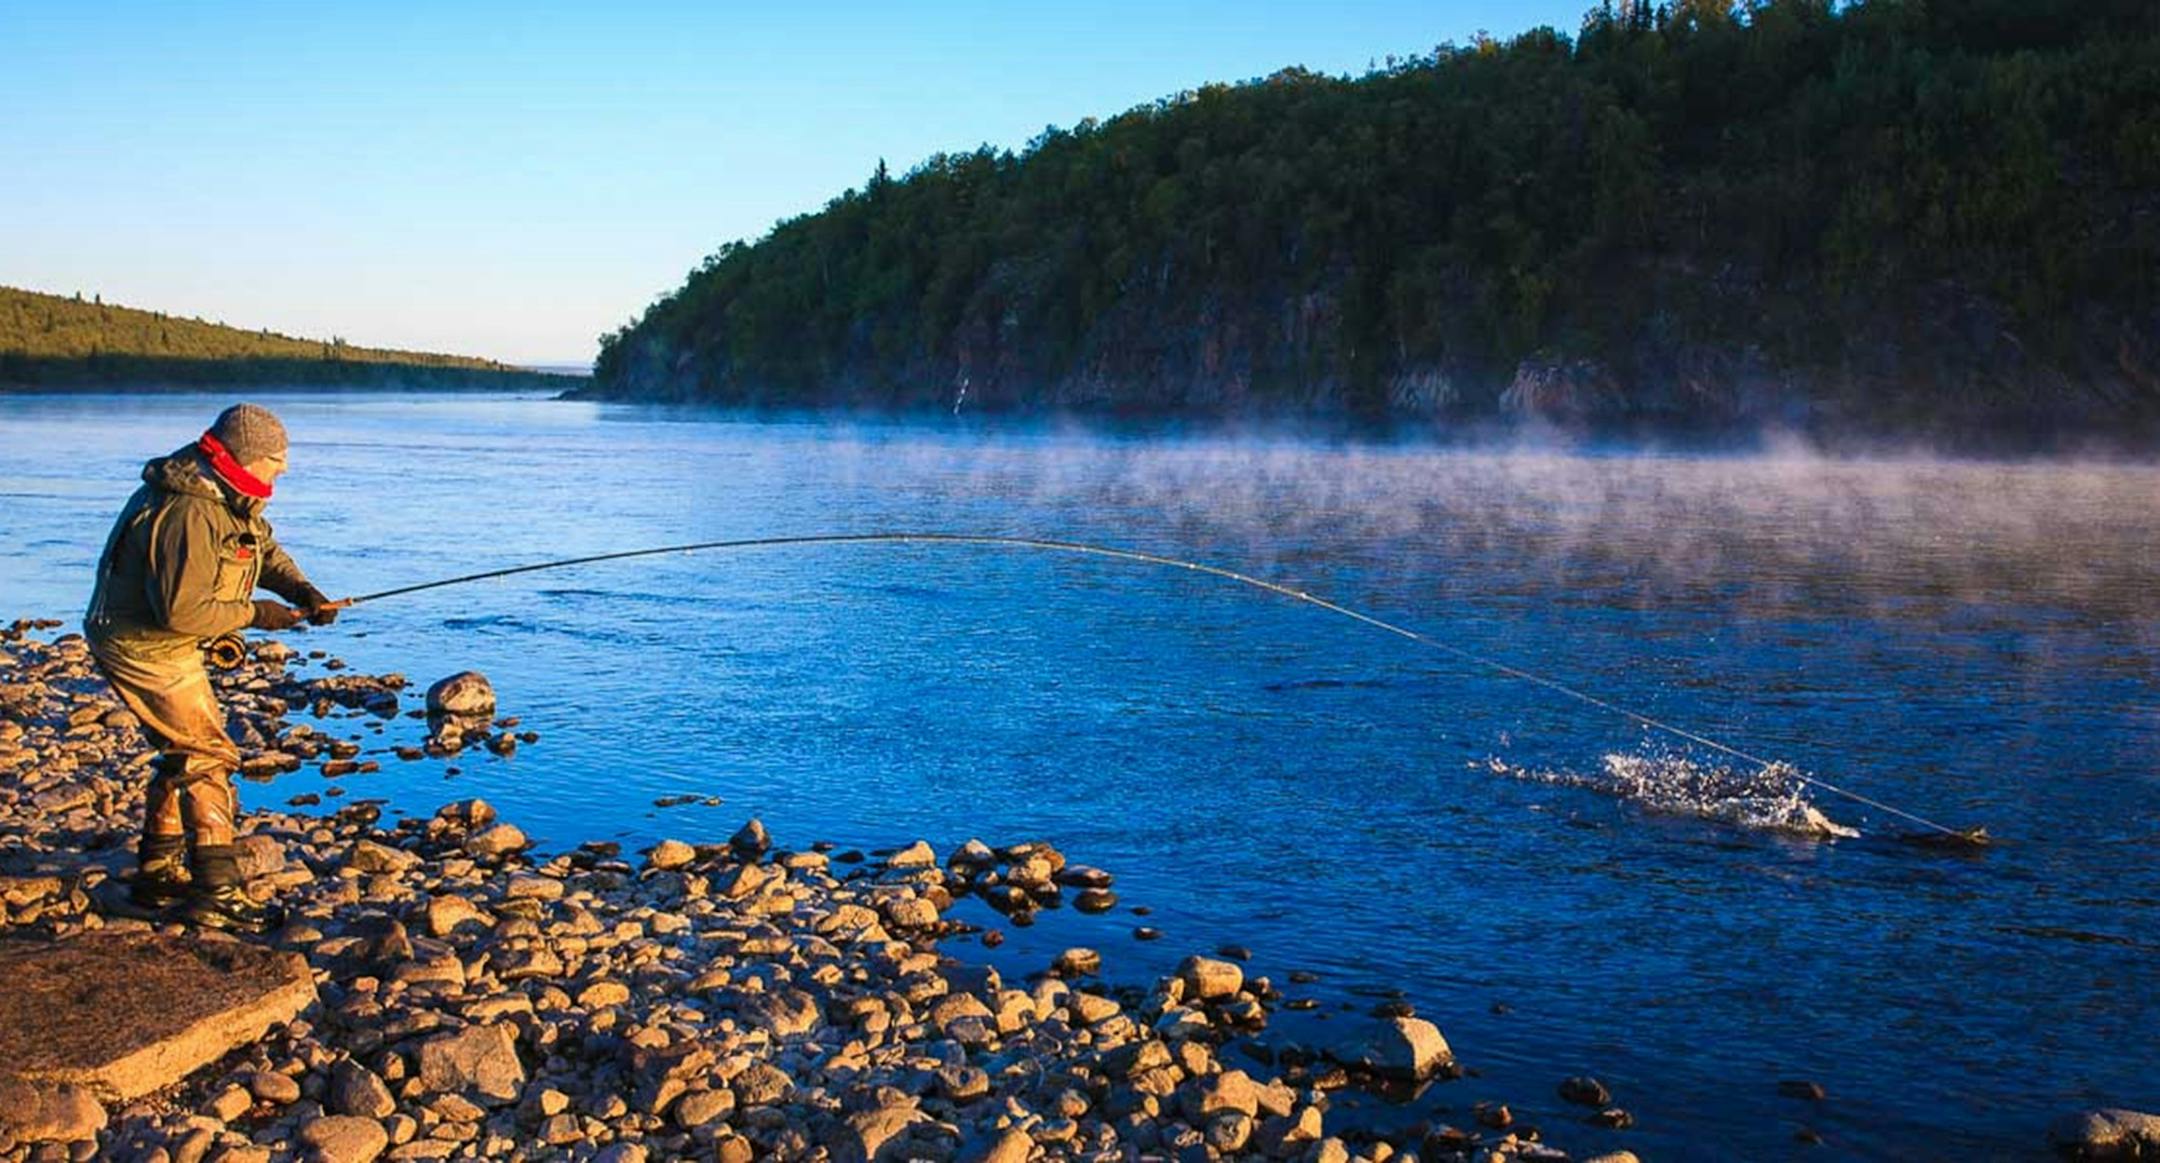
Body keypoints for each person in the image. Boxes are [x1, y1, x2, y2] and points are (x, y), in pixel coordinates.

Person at [83, 403, 337, 932]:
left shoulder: (224, 494)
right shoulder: (189, 511)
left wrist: (300, 589)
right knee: (208, 754)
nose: (282, 471)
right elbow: (182, 612)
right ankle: (215, 890)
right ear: (242, 458)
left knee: (183, 749)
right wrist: (259, 614)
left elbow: (258, 549)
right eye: (275, 461)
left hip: (155, 642)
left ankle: (156, 868)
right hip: (143, 645)